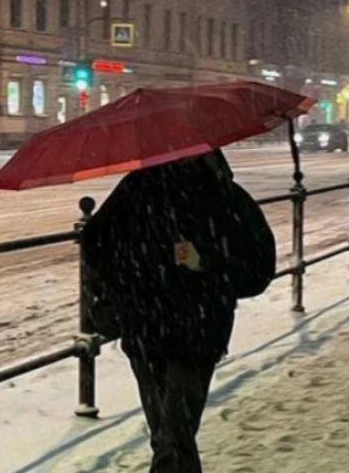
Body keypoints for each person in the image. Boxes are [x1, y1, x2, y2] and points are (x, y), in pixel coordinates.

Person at [82, 150, 275, 473]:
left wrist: (204, 263)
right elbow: (95, 243)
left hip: (188, 334)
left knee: (173, 437)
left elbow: (258, 270)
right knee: (170, 437)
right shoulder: (141, 189)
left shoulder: (219, 195)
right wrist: (137, 270)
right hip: (158, 329)